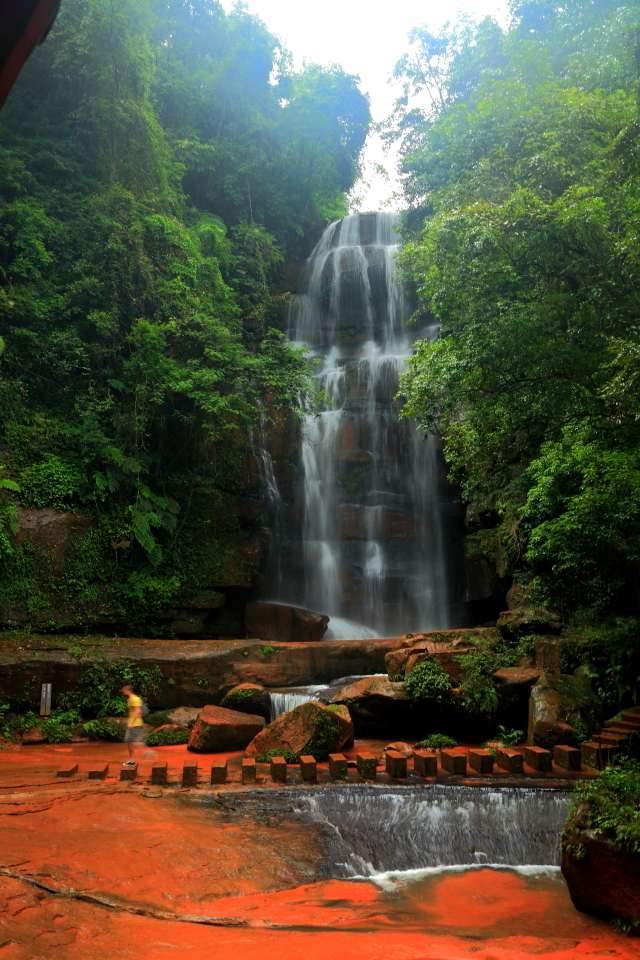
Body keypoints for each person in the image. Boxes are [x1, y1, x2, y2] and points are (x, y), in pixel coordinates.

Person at [122, 684, 145, 765]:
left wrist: (131, 723)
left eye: (125, 691)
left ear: (130, 691)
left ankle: (148, 752)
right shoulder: (132, 699)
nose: (123, 693)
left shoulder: (134, 699)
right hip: (134, 722)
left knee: (132, 740)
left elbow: (137, 711)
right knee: (130, 741)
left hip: (135, 723)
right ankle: (132, 760)